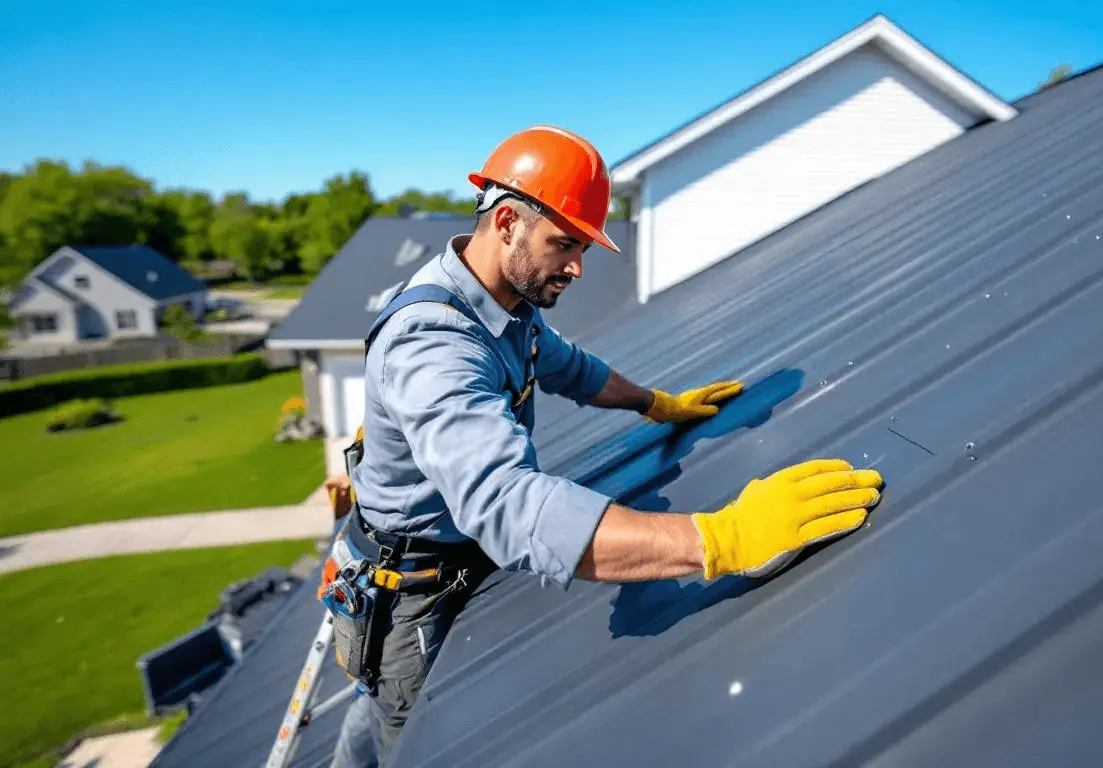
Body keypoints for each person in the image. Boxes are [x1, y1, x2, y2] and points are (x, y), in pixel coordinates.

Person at [322, 124, 884, 765]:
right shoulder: (435, 343)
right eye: (565, 244)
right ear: (507, 221)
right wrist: (720, 540)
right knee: (413, 742)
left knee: (371, 719)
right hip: (414, 598)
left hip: (458, 560)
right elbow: (507, 507)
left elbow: (567, 366)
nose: (578, 268)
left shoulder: (504, 300)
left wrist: (655, 404)